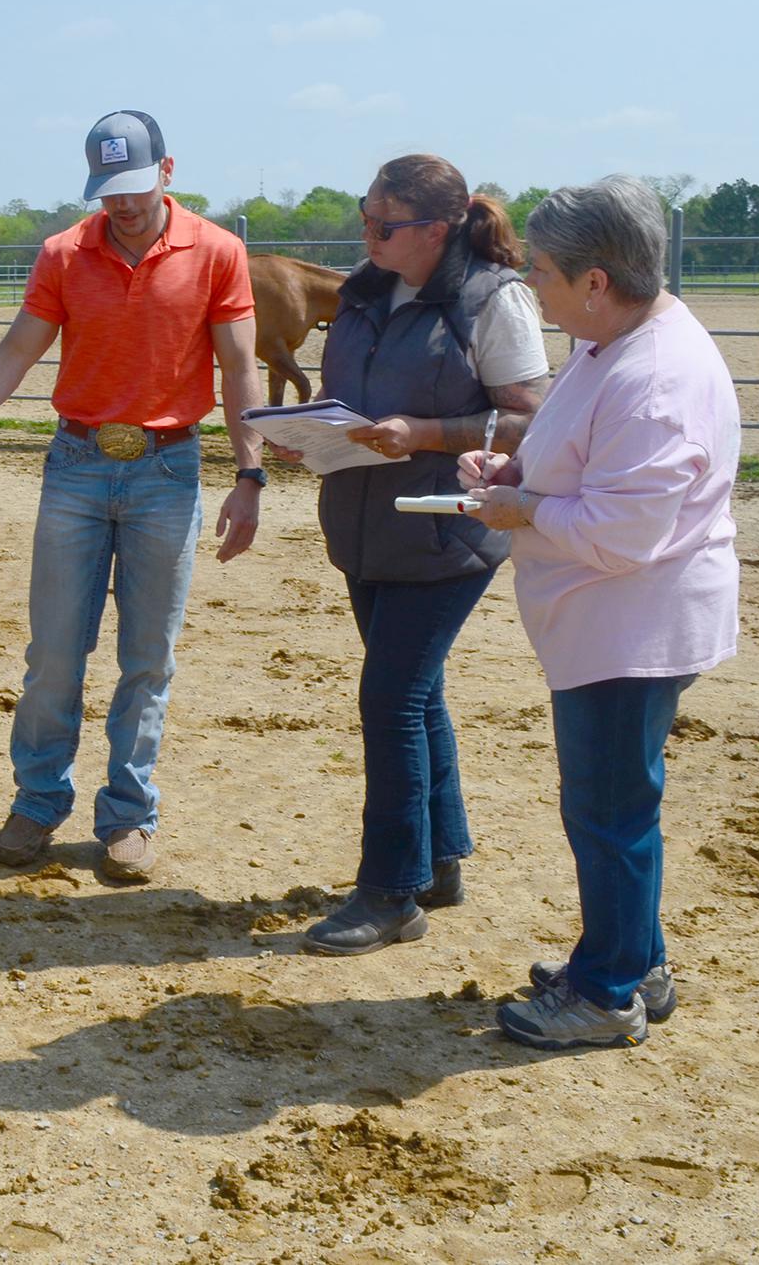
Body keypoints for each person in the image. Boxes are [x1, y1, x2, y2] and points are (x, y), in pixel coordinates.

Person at [0, 110, 264, 881]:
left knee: (147, 658)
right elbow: (14, 354)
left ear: (167, 171)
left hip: (168, 470)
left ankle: (129, 815)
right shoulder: (64, 254)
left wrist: (250, 472)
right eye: (106, 191)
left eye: (132, 187)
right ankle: (37, 801)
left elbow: (241, 370)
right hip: (76, 467)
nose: (120, 205)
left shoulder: (219, 253)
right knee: (55, 653)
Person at [459, 174, 738, 1050]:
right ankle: (633, 960)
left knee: (609, 811)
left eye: (540, 271)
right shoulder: (613, 338)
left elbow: (625, 531)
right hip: (615, 621)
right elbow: (586, 460)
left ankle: (607, 992)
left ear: (595, 280)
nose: (529, 286)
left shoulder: (652, 376)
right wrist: (517, 475)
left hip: (632, 626)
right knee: (618, 805)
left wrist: (526, 510)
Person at [280, 155, 551, 956]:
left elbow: (531, 421)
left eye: (384, 223)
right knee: (415, 693)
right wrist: (317, 435)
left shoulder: (494, 300)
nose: (368, 233)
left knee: (391, 699)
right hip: (364, 523)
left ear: (438, 230)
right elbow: (356, 401)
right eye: (366, 216)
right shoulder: (364, 289)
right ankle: (437, 862)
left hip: (446, 528)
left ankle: (389, 892)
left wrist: (424, 434)